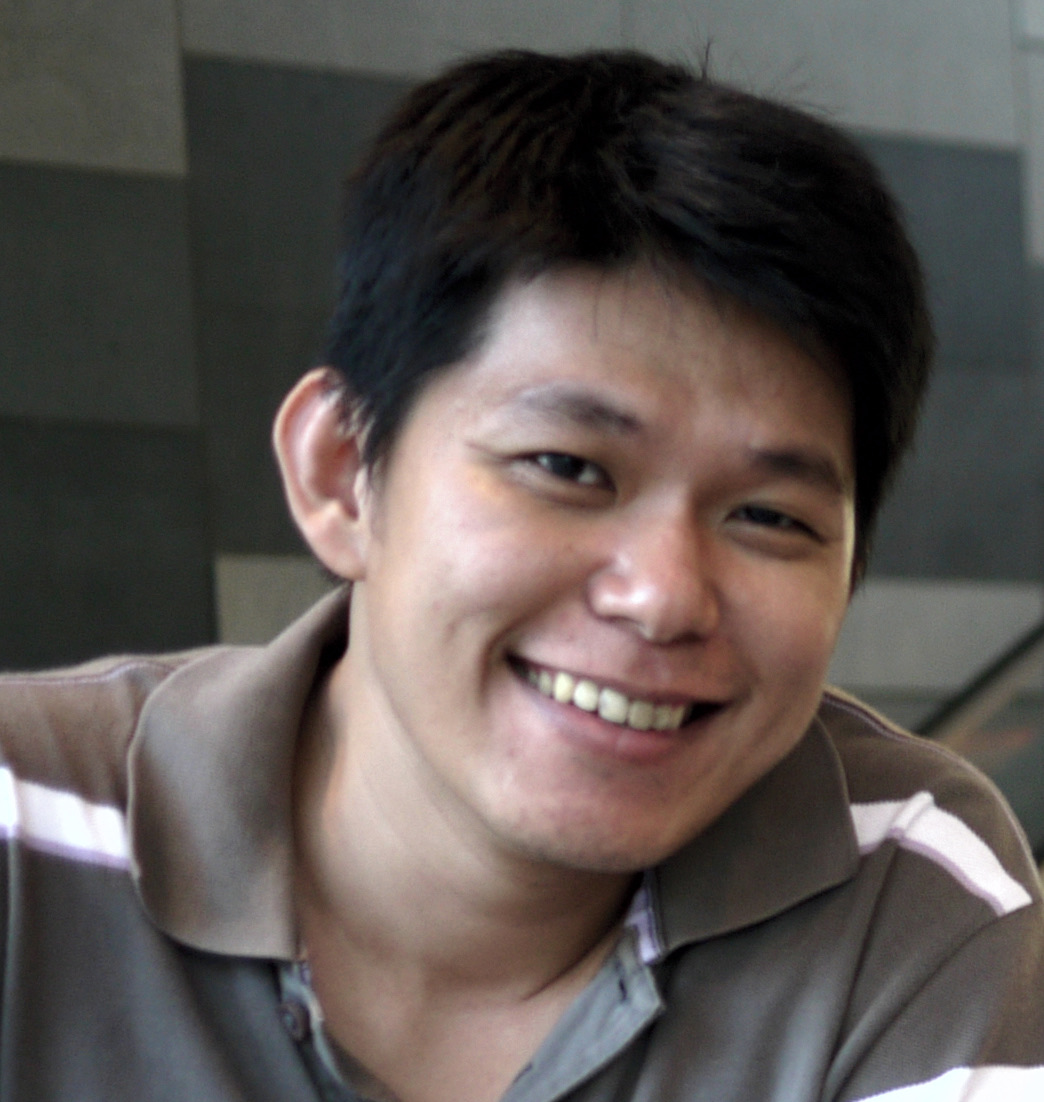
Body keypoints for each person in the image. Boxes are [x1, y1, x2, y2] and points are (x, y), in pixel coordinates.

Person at [1, 48, 1042, 1102]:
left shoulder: (906, 888)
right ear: (341, 473)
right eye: (569, 468)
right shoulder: (23, 828)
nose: (664, 596)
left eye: (768, 516)